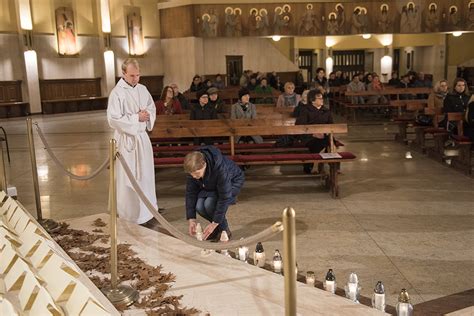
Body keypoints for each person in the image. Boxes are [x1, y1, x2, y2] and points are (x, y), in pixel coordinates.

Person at [106, 58, 158, 230]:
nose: (136, 79)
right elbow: (113, 119)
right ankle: (130, 214)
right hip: (126, 141)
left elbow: (152, 107)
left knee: (145, 176)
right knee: (128, 177)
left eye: (138, 75)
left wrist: (147, 114)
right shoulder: (117, 92)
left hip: (142, 139)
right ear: (123, 74)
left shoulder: (143, 89)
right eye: (132, 75)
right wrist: (137, 117)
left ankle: (148, 212)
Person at [184, 146, 245, 241]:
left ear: (204, 164)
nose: (194, 177)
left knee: (209, 204)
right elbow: (191, 193)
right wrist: (191, 219)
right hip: (211, 184)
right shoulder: (193, 169)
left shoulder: (220, 168)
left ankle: (224, 230)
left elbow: (224, 197)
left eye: (197, 174)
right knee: (199, 206)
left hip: (232, 182)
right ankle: (216, 230)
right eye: (192, 175)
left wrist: (215, 223)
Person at [296, 89, 334, 174]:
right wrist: (313, 133)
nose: (322, 100)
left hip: (324, 136)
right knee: (322, 143)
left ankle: (315, 165)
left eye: (322, 98)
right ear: (312, 100)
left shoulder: (326, 111)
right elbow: (300, 125)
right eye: (319, 98)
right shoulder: (305, 110)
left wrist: (325, 133)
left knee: (326, 141)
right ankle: (319, 165)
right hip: (309, 137)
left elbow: (331, 125)